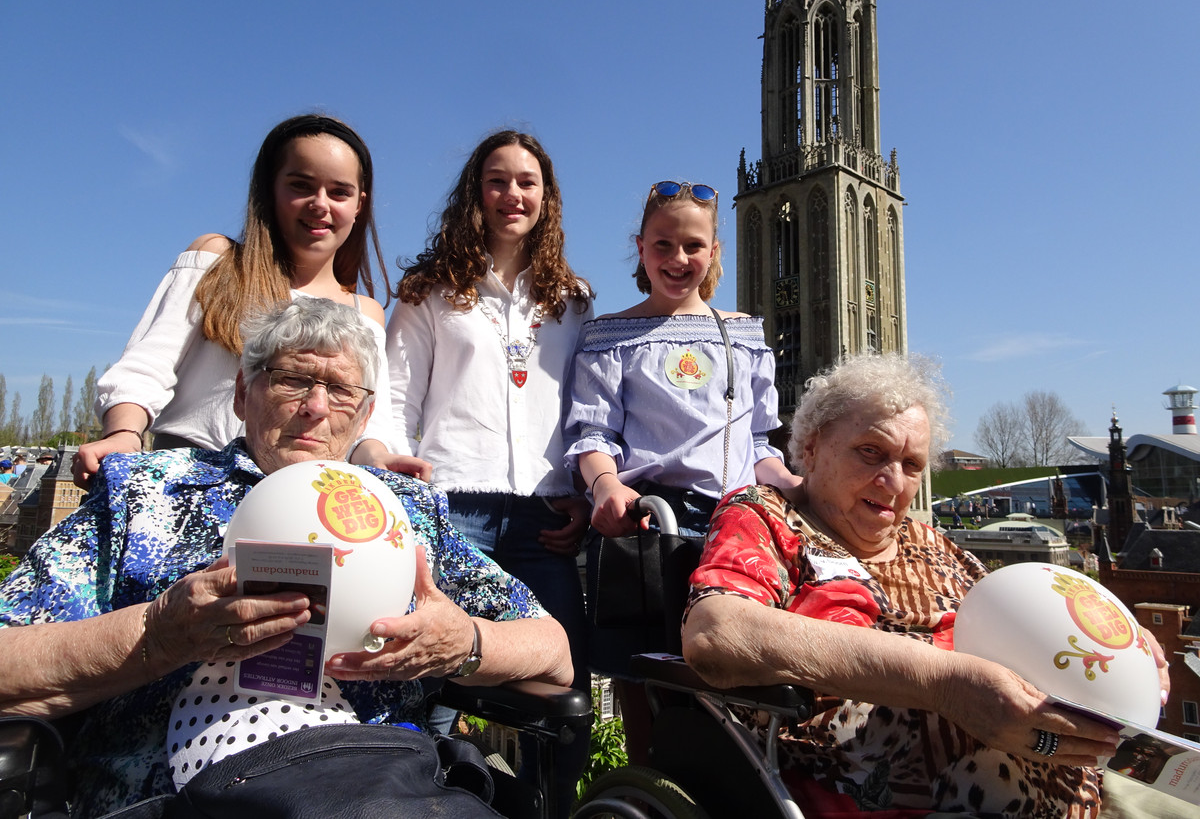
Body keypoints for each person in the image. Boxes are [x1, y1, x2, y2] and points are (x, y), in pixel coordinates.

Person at [0, 298, 570, 818]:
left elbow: (554, 651)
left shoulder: (405, 510)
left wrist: (463, 643)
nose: (316, 408)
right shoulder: (144, 492)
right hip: (174, 797)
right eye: (293, 380)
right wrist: (158, 634)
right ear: (243, 396)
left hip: (378, 782)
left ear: (365, 414)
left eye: (340, 390)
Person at [682, 352, 1170, 818]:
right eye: (870, 453)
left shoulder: (934, 544)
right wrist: (945, 686)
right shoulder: (767, 517)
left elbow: (1028, 624)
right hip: (891, 798)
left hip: (1074, 781)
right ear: (809, 446)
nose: (893, 481)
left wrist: (1119, 651)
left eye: (912, 465)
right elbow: (716, 633)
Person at [386, 129, 593, 811]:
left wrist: (584, 491)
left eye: (527, 182)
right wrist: (394, 464)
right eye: (498, 180)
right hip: (454, 511)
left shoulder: (573, 299)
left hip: (546, 518)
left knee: (562, 698)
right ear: (476, 192)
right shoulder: (430, 290)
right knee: (432, 682)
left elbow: (586, 410)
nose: (513, 195)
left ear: (547, 197)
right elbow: (393, 396)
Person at [563, 179, 798, 761]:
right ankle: (646, 786)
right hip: (647, 525)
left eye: (693, 246)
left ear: (714, 251)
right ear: (640, 249)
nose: (678, 259)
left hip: (736, 528)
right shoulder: (610, 337)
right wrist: (606, 484)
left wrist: (794, 486)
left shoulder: (741, 335)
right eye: (663, 246)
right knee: (640, 672)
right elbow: (592, 435)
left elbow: (760, 442)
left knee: (728, 674)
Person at [74, 114, 425, 489]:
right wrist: (124, 433)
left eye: (339, 192)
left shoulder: (364, 311)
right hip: (189, 480)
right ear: (270, 190)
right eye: (301, 186)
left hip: (300, 497)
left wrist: (380, 459)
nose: (320, 204)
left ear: (359, 204)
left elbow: (367, 420)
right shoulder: (217, 259)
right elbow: (147, 365)